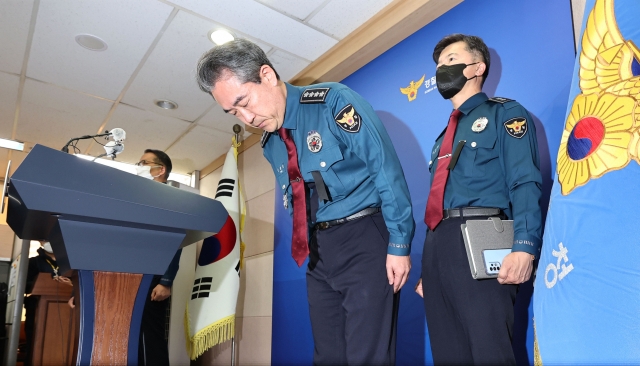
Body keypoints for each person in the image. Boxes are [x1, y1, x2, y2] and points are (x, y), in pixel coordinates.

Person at [196, 39, 415, 365]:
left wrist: (399, 243)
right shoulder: (271, 143)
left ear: (267, 75)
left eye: (244, 101)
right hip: (318, 251)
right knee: (327, 355)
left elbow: (384, 168)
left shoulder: (332, 102)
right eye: (233, 112)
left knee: (367, 355)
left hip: (363, 238)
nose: (246, 118)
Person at [415, 34, 542, 364]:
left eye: (451, 60)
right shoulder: (441, 138)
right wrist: (431, 267)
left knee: (489, 351)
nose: (442, 69)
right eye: (439, 65)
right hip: (438, 246)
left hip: (483, 238)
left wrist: (524, 246)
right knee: (448, 353)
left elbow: (525, 181)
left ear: (477, 67)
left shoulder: (505, 114)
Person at [135, 149, 182, 366]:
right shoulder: (141, 199)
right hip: (131, 276)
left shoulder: (169, 199)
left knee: (150, 337)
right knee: (133, 337)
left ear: (160, 169)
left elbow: (175, 240)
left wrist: (166, 280)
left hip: (154, 278)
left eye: (144, 162)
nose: (140, 166)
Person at [24, 241, 72, 365]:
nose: (49, 242)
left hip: (65, 312)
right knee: (34, 345)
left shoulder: (68, 263)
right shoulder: (33, 262)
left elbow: (77, 284)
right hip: (37, 310)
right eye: (45, 240)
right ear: (41, 242)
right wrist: (48, 281)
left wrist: (68, 283)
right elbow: (24, 286)